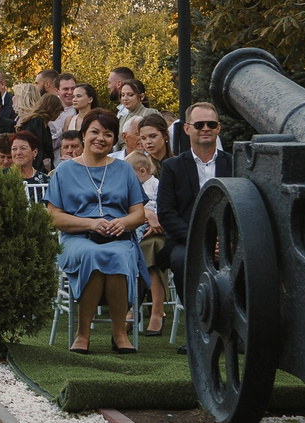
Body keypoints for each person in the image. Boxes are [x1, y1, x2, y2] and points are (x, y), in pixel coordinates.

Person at [46, 109, 148, 356]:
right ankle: (83, 333)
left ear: (115, 139)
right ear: (83, 135)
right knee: (91, 253)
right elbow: (53, 216)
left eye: (108, 134)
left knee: (118, 255)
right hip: (77, 238)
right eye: (95, 132)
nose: (100, 138)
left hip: (118, 237)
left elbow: (139, 213)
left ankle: (119, 333)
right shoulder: (64, 171)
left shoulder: (124, 170)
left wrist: (122, 223)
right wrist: (90, 224)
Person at [158, 100, 226, 245]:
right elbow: (166, 213)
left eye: (211, 124)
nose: (206, 128)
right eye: (199, 124)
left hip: (227, 242)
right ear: (187, 129)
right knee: (181, 262)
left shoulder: (234, 164)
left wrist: (228, 241)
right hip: (186, 242)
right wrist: (200, 240)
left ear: (218, 128)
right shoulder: (172, 167)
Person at [128, 147, 168, 338]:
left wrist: (155, 221)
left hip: (158, 233)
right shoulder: (131, 187)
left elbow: (165, 208)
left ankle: (156, 311)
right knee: (133, 251)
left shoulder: (156, 185)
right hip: (135, 231)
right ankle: (131, 308)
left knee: (150, 250)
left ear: (142, 171)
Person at [0, 125, 48, 200]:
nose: (18, 153)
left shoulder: (45, 180)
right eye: (14, 149)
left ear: (34, 152)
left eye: (23, 148)